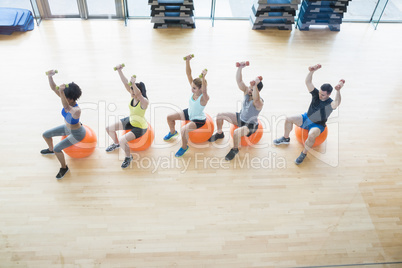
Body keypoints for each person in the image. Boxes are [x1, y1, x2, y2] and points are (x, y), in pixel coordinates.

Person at [273, 64, 345, 165]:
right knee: (288, 118)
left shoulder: (330, 103)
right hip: (306, 117)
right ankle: (285, 138)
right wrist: (311, 71)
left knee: (311, 136)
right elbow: (308, 82)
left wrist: (338, 91)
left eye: (323, 95)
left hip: (318, 125)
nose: (320, 95)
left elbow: (337, 102)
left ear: (328, 94)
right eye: (320, 93)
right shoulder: (316, 94)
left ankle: (304, 153)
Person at [208, 61, 264, 161]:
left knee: (236, 133)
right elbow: (239, 81)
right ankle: (220, 133)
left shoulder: (259, 102)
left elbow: (255, 99)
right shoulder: (247, 92)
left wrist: (255, 85)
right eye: (250, 88)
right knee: (220, 115)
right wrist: (240, 68)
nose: (249, 90)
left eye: (252, 89)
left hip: (250, 125)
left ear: (258, 90)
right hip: (240, 117)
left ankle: (235, 149)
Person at [41, 70, 85, 179]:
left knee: (58, 148)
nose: (63, 97)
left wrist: (61, 93)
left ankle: (64, 168)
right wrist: (50, 76)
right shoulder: (66, 99)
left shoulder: (76, 110)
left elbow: (66, 108)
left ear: (71, 98)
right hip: (67, 128)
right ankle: (50, 150)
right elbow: (53, 87)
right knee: (45, 134)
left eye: (65, 96)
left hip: (77, 134)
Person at [163, 54, 209, 157]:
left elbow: (205, 91)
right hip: (189, 112)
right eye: (192, 87)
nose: (191, 89)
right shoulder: (194, 91)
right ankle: (172, 132)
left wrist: (204, 77)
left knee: (184, 130)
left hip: (198, 119)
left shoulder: (204, 97)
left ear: (201, 89)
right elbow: (189, 75)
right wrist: (187, 61)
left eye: (194, 88)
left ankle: (184, 147)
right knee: (169, 117)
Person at [105, 64, 149, 169]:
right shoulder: (132, 95)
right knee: (109, 128)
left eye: (133, 90)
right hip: (131, 120)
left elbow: (138, 95)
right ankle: (116, 144)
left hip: (140, 127)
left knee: (123, 140)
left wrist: (133, 83)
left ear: (139, 92)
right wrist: (119, 70)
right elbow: (125, 83)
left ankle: (128, 157)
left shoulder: (144, 102)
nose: (131, 92)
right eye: (131, 90)